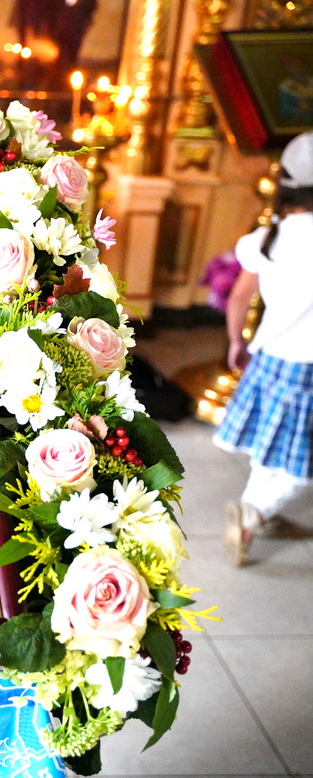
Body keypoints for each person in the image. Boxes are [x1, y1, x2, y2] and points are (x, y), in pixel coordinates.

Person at [214, 131, 313, 566]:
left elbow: (240, 297)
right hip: (307, 369)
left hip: (269, 358)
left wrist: (237, 340)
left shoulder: (268, 237)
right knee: (301, 464)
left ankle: (256, 515)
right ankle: (255, 513)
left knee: (268, 449)